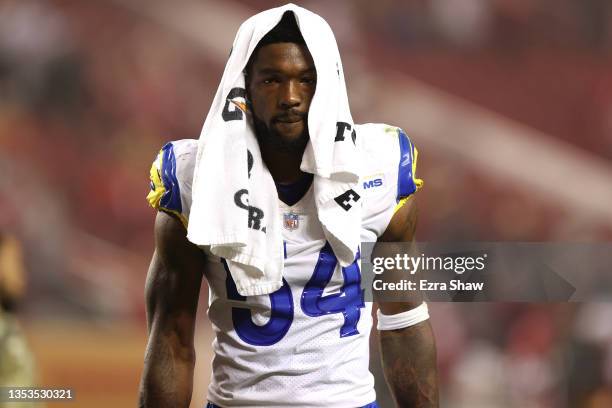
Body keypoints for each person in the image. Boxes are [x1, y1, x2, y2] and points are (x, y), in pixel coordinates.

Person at [140, 5, 437, 408]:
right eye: (272, 80)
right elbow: (172, 337)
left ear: (328, 84)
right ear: (244, 86)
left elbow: (403, 323)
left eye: (306, 80)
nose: (291, 97)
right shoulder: (197, 177)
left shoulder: (378, 168)